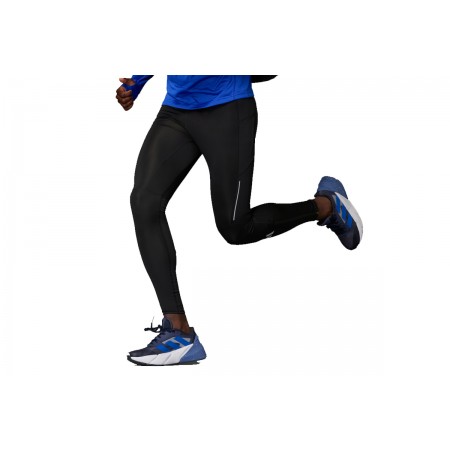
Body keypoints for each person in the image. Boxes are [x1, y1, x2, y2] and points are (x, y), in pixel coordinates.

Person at [115, 75, 363, 366]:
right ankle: (179, 332)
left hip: (227, 108)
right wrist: (139, 80)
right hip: (178, 107)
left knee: (236, 227)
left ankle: (327, 207)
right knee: (144, 202)